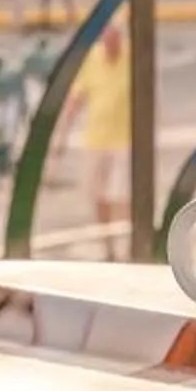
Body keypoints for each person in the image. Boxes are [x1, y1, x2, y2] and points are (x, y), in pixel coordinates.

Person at [61, 18, 133, 252]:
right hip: (97, 138)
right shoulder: (93, 59)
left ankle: (125, 248)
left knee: (120, 196)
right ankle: (109, 248)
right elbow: (76, 98)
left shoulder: (131, 57)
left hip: (125, 139)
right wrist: (62, 134)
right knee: (99, 196)